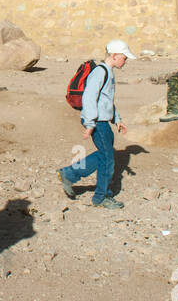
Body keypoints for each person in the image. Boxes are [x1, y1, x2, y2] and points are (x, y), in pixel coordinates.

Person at [57, 39, 134, 208]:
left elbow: (106, 101)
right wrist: (90, 123)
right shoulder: (100, 72)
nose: (125, 60)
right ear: (114, 56)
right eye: (124, 57)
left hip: (102, 121)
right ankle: (101, 197)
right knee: (107, 159)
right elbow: (89, 97)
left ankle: (69, 174)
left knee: (105, 155)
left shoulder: (108, 71)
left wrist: (117, 119)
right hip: (97, 122)